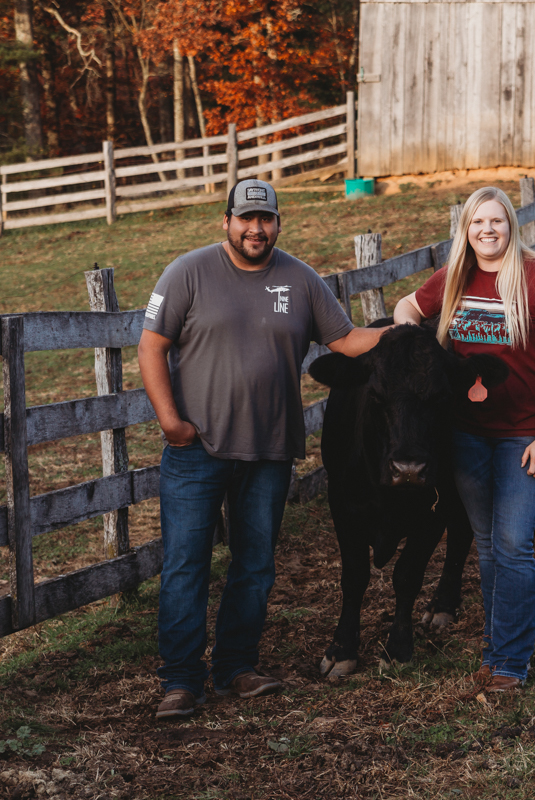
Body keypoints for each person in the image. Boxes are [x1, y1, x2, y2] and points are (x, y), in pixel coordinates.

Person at [139, 179, 388, 719]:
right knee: (187, 565)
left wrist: (407, 333)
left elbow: (346, 341)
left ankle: (236, 668)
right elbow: (151, 346)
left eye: (266, 219)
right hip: (197, 449)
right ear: (226, 221)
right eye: (246, 219)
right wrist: (169, 421)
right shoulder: (188, 272)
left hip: (270, 451)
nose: (256, 229)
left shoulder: (300, 279)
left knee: (255, 565)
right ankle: (181, 681)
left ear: (278, 223)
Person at [393, 186, 535, 692]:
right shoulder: (453, 277)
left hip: (525, 435)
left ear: (511, 225)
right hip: (469, 437)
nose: (487, 231)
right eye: (478, 223)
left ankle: (511, 664)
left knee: (515, 544)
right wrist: (419, 353)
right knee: (491, 548)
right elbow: (406, 309)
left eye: (496, 221)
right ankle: (496, 652)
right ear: (466, 230)